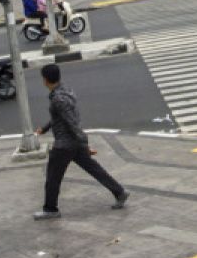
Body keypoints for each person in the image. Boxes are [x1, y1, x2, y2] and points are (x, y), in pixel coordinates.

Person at [33, 64, 128, 220]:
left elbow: (71, 123)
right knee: (94, 169)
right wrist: (44, 129)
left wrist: (85, 144)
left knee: (52, 177)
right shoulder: (65, 91)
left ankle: (50, 209)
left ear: (45, 80)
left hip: (65, 144)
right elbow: (59, 118)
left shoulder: (58, 98)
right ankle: (119, 192)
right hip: (74, 143)